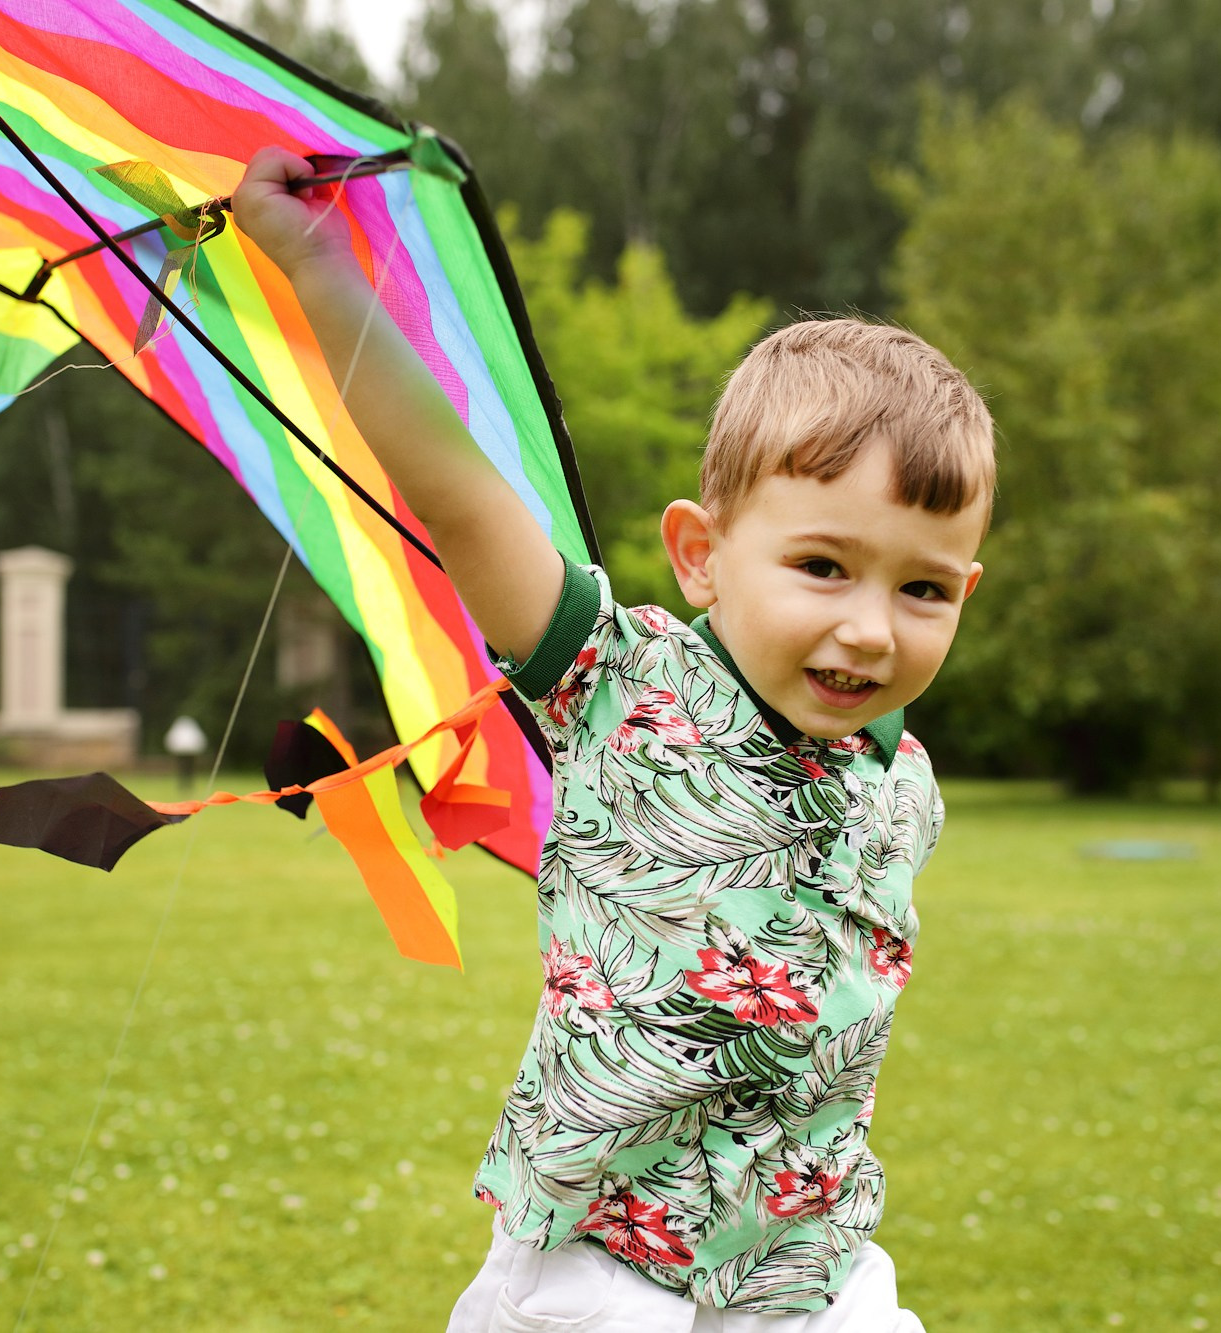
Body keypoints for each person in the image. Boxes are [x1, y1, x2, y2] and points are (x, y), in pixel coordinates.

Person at [234, 147, 993, 1332]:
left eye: (923, 590)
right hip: (600, 1269)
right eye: (821, 566)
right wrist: (320, 267)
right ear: (699, 553)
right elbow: (457, 493)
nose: (867, 627)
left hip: (803, 1267)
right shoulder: (616, 683)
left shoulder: (902, 780)